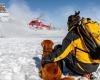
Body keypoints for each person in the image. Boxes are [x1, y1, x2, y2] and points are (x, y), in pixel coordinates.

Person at [42, 11, 100, 79]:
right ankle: (86, 73)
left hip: (83, 67)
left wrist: (47, 58)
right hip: (95, 65)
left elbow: (62, 53)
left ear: (70, 23)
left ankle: (58, 73)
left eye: (68, 23)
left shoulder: (72, 34)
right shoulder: (86, 32)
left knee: (58, 47)